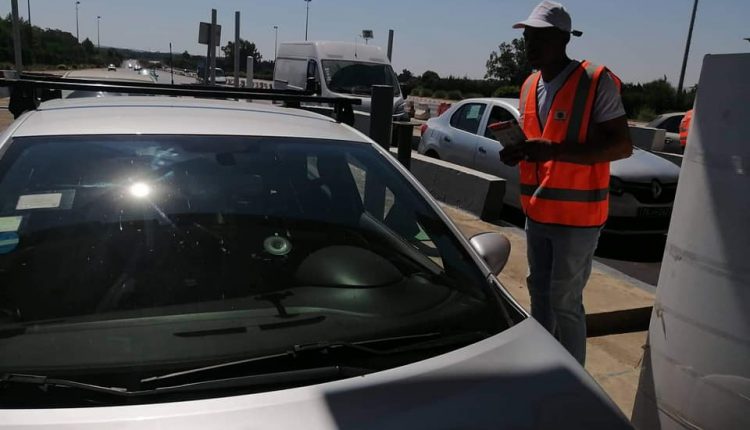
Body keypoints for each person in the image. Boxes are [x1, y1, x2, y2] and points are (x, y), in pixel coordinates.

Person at [500, 1, 633, 365]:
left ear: (562, 38)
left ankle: (572, 376)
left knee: (565, 301)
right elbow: (535, 143)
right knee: (539, 296)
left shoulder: (595, 80)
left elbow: (622, 146)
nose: (529, 44)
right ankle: (544, 366)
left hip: (578, 219)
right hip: (537, 212)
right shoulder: (529, 85)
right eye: (527, 37)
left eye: (539, 37)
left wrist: (553, 150)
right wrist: (518, 152)